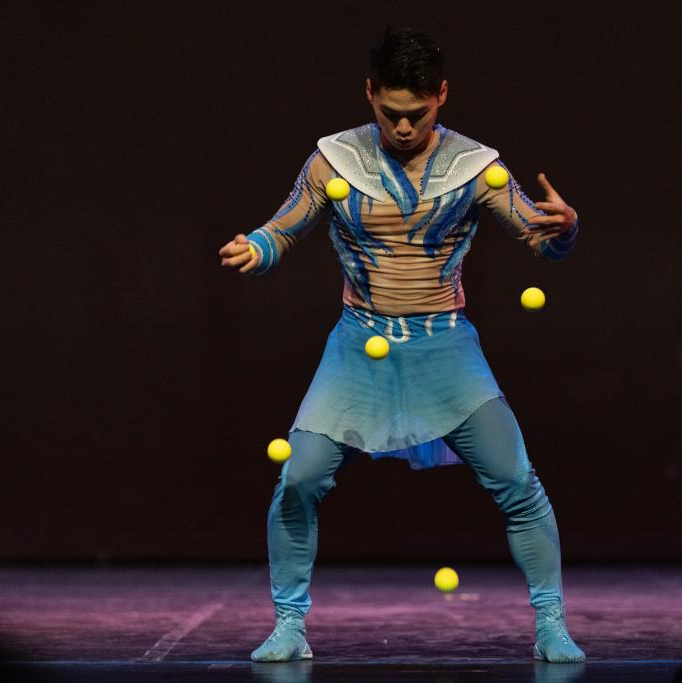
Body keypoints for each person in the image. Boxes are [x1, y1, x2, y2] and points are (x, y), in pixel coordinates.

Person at [218, 28, 584, 663]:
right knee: (299, 477)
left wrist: (565, 230)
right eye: (390, 113)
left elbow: (539, 237)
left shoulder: (476, 168)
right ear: (369, 94)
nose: (404, 127)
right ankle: (289, 625)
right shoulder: (334, 161)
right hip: (358, 343)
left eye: (418, 112)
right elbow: (286, 225)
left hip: (444, 346)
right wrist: (257, 247)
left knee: (515, 479)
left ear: (442, 95)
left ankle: (552, 623)